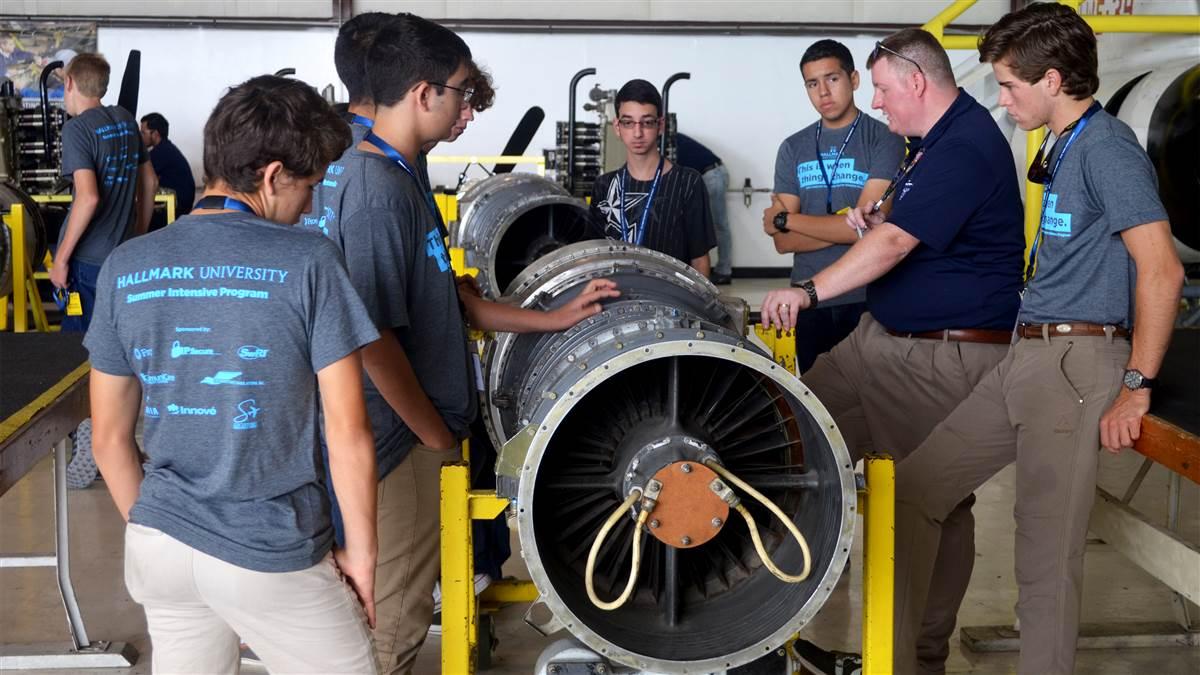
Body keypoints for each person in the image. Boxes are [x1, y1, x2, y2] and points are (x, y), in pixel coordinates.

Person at [307, 15, 618, 674]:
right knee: (391, 616)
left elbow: (452, 299)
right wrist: (432, 432)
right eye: (461, 92)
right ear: (424, 93)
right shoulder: (374, 189)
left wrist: (556, 319)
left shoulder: (399, 173)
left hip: (408, 429)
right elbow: (373, 336)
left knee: (391, 602)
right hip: (397, 438)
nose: (468, 108)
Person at [892, 6, 1184, 674]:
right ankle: (914, 656)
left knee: (1044, 555)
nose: (1001, 98)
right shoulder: (1065, 142)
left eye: (1009, 85)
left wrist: (1135, 388)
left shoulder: (1108, 149)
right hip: (1029, 350)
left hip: (1078, 362)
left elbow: (1162, 269)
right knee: (915, 488)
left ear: (1052, 80)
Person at [84, 75, 381, 673]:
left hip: (158, 546)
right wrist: (363, 558)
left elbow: (109, 438)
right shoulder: (310, 261)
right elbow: (349, 434)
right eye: (309, 187)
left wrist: (169, 527)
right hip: (269, 546)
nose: (309, 206)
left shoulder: (126, 265)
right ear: (272, 177)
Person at [759, 28, 1025, 674]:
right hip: (875, 342)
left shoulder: (965, 145)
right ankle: (756, 621)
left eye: (879, 88)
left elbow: (896, 246)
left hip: (940, 356)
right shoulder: (924, 148)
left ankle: (909, 657)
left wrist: (809, 292)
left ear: (916, 81)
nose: (875, 102)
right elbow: (899, 231)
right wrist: (878, 224)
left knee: (925, 502)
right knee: (784, 440)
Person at [763, 39, 907, 373]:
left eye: (832, 79)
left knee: (871, 405)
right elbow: (782, 242)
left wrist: (788, 218)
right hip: (807, 299)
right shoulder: (793, 148)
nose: (823, 92)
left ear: (854, 80)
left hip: (867, 298)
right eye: (813, 83)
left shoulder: (884, 138)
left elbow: (869, 228)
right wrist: (842, 227)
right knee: (819, 401)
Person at [50, 53, 157, 332]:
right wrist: (139, 233)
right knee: (116, 337)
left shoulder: (77, 129)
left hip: (88, 262)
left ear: (70, 82)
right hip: (123, 254)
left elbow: (88, 197)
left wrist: (60, 260)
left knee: (78, 345)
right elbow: (150, 181)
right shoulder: (125, 120)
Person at [587, 79, 715, 275]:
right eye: (628, 123)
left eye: (647, 122)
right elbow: (592, 258)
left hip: (670, 302)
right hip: (617, 300)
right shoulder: (605, 186)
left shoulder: (687, 183)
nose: (637, 133)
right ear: (617, 127)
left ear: (661, 125)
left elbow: (699, 259)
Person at [674, 133, 732, 284]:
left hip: (712, 174)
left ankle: (724, 271)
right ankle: (722, 270)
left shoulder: (668, 141)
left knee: (718, 225)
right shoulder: (671, 138)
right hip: (713, 172)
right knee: (717, 225)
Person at [139, 112, 196, 229]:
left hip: (177, 206)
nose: (140, 137)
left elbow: (142, 179)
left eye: (143, 133)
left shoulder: (160, 153)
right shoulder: (165, 148)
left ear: (155, 134)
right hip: (181, 202)